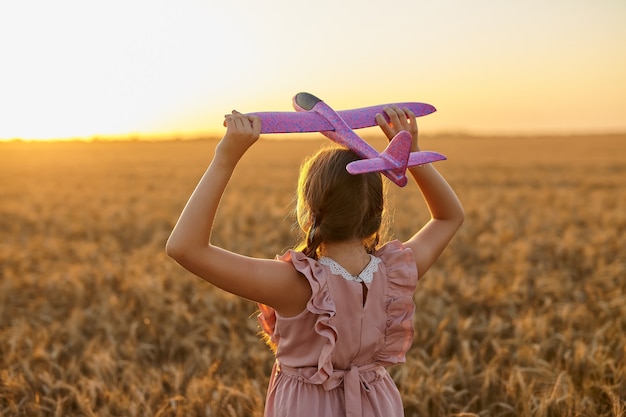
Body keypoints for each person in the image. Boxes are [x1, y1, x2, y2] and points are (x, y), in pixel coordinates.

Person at [166, 105, 464, 417]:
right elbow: (448, 217)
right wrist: (412, 152)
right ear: (376, 216)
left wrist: (225, 158)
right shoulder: (396, 272)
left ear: (309, 215)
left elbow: (185, 247)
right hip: (379, 407)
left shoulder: (295, 284)